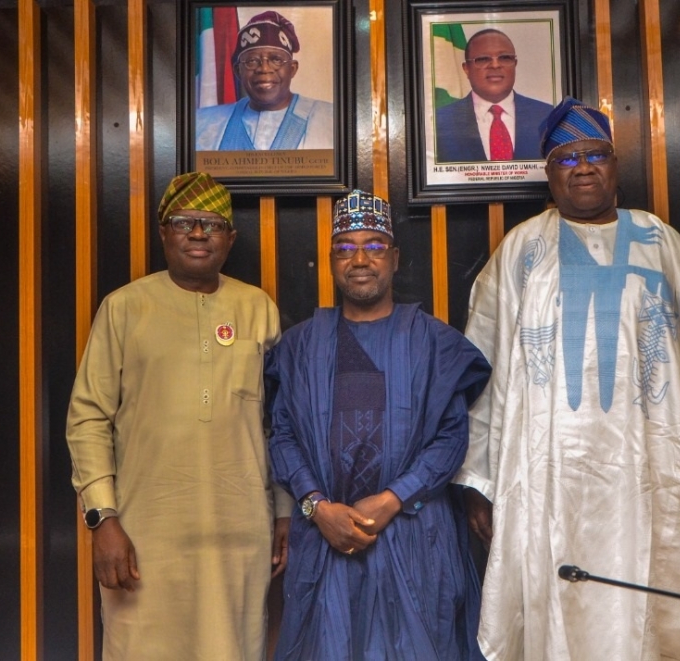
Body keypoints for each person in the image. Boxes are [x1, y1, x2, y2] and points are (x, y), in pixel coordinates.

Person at [456, 98, 680, 659]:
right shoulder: (521, 250)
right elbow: (483, 365)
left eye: (596, 154)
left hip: (652, 463)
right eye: (568, 157)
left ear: (616, 166)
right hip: (550, 471)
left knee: (659, 586)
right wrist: (480, 480)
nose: (584, 167)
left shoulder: (659, 238)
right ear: (549, 174)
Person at [66, 172, 293, 659]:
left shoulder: (257, 309)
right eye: (184, 222)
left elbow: (280, 423)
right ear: (164, 233)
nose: (197, 233)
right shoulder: (124, 308)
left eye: (211, 224)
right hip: (142, 536)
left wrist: (284, 511)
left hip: (238, 535)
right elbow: (88, 418)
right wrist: (102, 520)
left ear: (230, 239)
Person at [265, 190, 491, 660]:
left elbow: (451, 438)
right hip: (326, 538)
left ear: (394, 257)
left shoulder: (433, 343)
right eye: (345, 248)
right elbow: (283, 436)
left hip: (414, 536)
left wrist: (393, 499)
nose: (360, 259)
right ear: (330, 262)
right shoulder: (300, 347)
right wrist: (316, 506)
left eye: (373, 246)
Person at [196, 11, 333, 151]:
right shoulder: (203, 123)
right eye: (252, 61)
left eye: (276, 60)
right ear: (238, 71)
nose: (264, 69)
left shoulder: (331, 119)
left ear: (292, 69)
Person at [435, 29, 553, 163]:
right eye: (483, 59)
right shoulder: (439, 121)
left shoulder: (548, 116)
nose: (495, 65)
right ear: (466, 68)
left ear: (515, 64)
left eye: (504, 58)